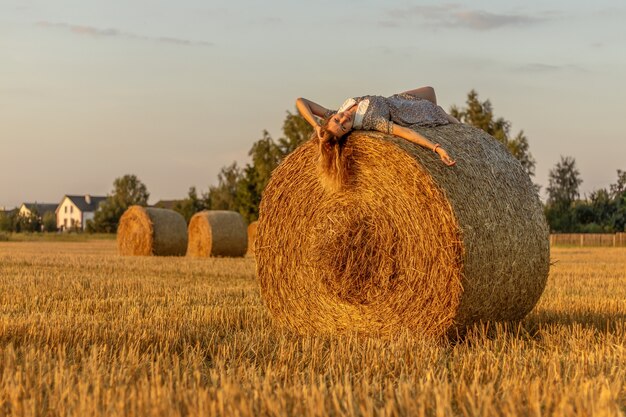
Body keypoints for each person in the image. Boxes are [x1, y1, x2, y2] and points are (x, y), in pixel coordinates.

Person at [296, 86, 458, 166]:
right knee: (443, 115)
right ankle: (455, 126)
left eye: (337, 120)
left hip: (398, 99)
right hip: (409, 111)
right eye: (344, 126)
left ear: (331, 118)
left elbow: (301, 102)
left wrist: (316, 126)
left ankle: (441, 126)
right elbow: (405, 132)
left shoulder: (337, 110)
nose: (343, 119)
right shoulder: (371, 120)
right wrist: (436, 148)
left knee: (430, 91)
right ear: (348, 131)